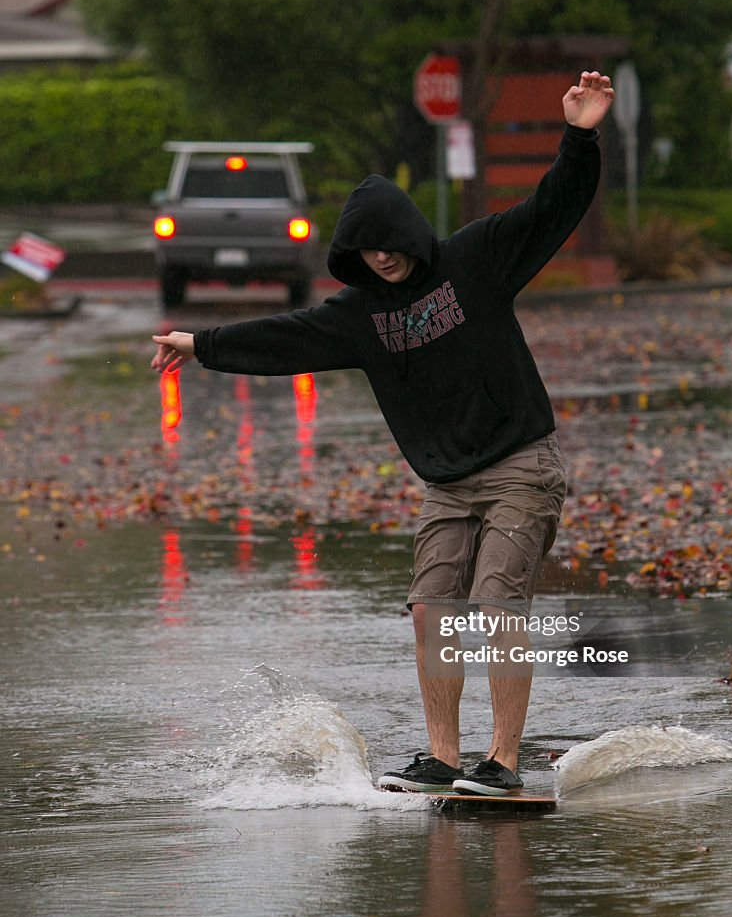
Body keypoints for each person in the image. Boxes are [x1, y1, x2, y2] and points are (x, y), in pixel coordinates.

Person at [152, 70, 614, 796]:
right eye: (366, 250)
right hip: (446, 483)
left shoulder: (474, 259)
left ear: (407, 231)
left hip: (521, 464)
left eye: (389, 243)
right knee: (432, 608)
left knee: (495, 607)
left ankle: (500, 763)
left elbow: (553, 207)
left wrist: (579, 135)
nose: (382, 257)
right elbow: (284, 338)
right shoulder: (357, 314)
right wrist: (199, 343)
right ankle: (443, 760)